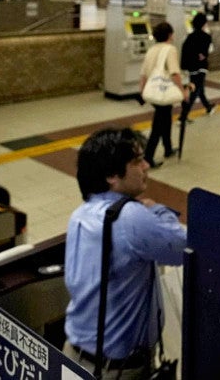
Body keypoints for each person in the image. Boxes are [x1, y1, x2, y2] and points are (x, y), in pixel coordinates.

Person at [63, 127, 187, 379]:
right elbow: (184, 247)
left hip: (75, 355)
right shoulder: (131, 218)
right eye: (137, 160)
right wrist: (158, 211)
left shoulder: (81, 214)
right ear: (111, 175)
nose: (146, 166)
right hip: (119, 370)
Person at [139, 21, 188, 168]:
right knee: (159, 124)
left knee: (165, 118)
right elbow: (174, 73)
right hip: (163, 91)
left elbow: (143, 73)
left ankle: (167, 148)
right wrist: (183, 91)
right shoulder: (170, 49)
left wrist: (142, 90)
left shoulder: (151, 50)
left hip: (152, 90)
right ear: (169, 35)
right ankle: (148, 157)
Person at [180, 12, 214, 121]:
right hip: (201, 67)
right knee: (195, 90)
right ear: (204, 23)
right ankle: (183, 116)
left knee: (199, 88)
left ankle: (208, 107)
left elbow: (185, 51)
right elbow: (204, 55)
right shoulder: (206, 37)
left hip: (191, 67)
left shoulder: (189, 37)